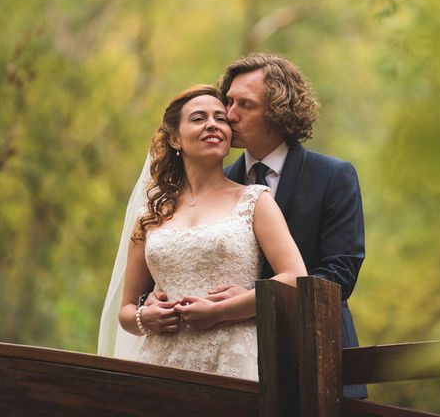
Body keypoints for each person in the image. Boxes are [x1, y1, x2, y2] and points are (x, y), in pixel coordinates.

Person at [148, 54, 367, 398]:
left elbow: (340, 274)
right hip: (224, 365)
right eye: (229, 101)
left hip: (312, 359)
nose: (229, 114)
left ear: (278, 112)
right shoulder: (218, 183)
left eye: (244, 105)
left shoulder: (332, 177)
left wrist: (258, 299)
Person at [98, 84, 307, 381]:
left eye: (220, 118)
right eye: (198, 118)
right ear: (174, 138)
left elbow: (295, 280)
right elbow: (127, 311)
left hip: (232, 358)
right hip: (162, 363)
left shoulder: (255, 201)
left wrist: (222, 312)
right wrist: (146, 318)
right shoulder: (151, 215)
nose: (213, 124)